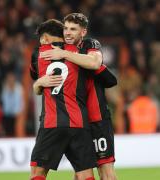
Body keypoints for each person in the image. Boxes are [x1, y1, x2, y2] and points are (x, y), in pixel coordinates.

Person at [40, 13, 117, 180]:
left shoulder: (89, 44)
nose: (68, 32)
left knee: (106, 171)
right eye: (66, 28)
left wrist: (64, 54)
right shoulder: (60, 49)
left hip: (97, 119)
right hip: (76, 121)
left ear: (83, 32)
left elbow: (95, 63)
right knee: (81, 172)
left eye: (73, 29)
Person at [30, 19, 100, 180]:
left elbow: (37, 82)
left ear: (45, 39)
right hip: (79, 123)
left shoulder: (38, 53)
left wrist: (39, 83)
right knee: (85, 174)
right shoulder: (79, 52)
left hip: (52, 123)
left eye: (41, 39)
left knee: (37, 173)